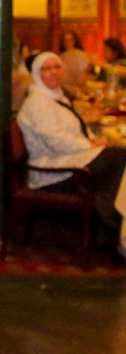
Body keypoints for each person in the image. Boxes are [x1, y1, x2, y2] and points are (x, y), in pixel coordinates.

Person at [17, 52, 126, 255]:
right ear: (37, 73)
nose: (53, 72)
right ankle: (109, 220)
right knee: (119, 158)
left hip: (68, 160)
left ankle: (108, 218)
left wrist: (92, 140)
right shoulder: (37, 103)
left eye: (57, 67)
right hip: (52, 172)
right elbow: (56, 141)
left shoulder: (56, 97)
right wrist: (89, 145)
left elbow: (76, 128)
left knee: (116, 162)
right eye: (47, 69)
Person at [59, 31, 92, 98]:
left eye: (70, 40)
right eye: (65, 40)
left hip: (81, 91)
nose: (68, 42)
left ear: (75, 41)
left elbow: (85, 75)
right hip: (64, 91)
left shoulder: (83, 55)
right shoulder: (61, 57)